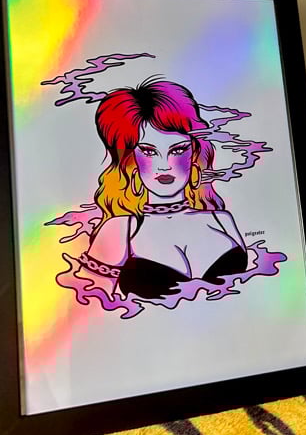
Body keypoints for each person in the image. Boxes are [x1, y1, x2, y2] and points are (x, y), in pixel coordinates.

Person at [78, 78, 248, 301]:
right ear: (130, 158)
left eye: (177, 150)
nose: (164, 165)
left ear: (194, 152)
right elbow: (90, 308)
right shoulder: (121, 229)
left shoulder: (222, 219)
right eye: (149, 151)